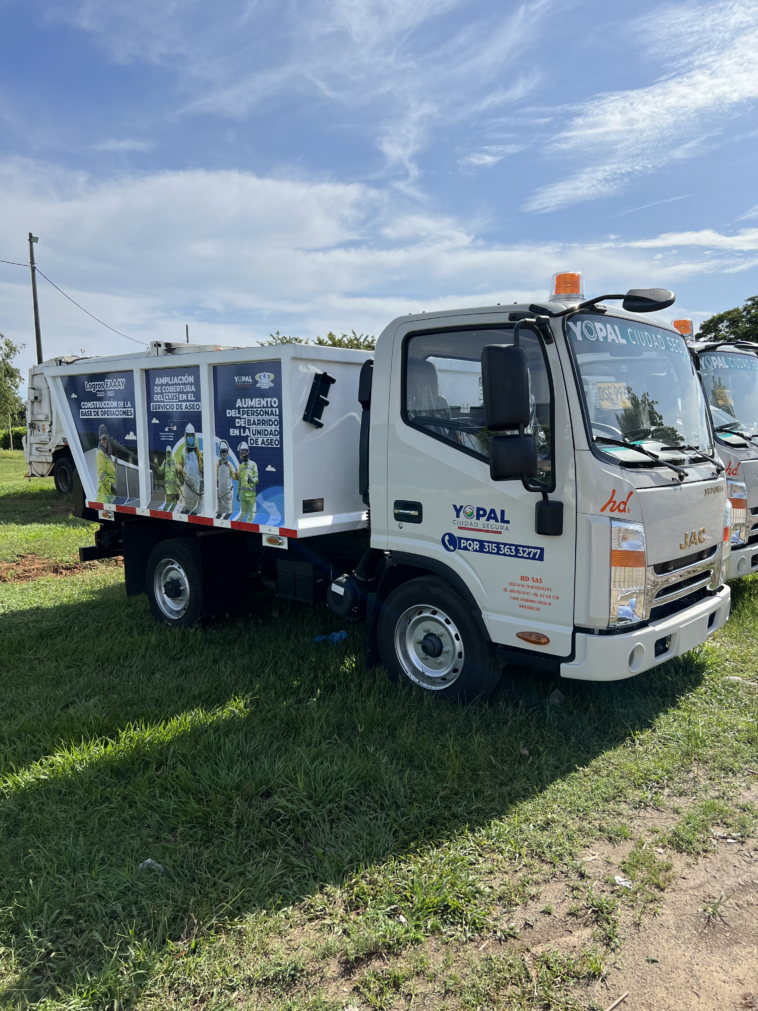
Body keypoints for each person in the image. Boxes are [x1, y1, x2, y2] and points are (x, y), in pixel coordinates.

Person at [176, 422, 204, 514]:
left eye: (191, 435)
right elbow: (180, 464)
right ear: (185, 436)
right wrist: (179, 469)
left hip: (196, 482)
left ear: (194, 436)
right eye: (188, 435)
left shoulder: (198, 452)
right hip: (187, 482)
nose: (190, 437)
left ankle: (193, 515)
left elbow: (201, 468)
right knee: (188, 503)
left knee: (196, 503)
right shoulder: (183, 451)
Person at [237, 441, 258, 523]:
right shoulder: (240, 466)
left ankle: (248, 528)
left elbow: (257, 479)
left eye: (245, 452)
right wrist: (238, 492)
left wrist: (252, 480)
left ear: (248, 452)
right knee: (243, 514)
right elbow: (240, 481)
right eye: (242, 453)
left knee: (252, 514)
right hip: (243, 495)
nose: (243, 455)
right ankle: (238, 526)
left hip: (251, 495)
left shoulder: (253, 465)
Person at [96, 424, 117, 503]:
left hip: (109, 494)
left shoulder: (106, 455)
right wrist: (110, 487)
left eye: (105, 440)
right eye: (102, 440)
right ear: (100, 441)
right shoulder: (100, 454)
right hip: (104, 495)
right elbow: (101, 474)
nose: (104, 442)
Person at [216, 440, 237, 518]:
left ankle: (225, 519)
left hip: (227, 491)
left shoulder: (229, 465)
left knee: (229, 510)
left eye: (225, 451)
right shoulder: (217, 464)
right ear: (220, 452)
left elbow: (234, 477)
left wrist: (237, 474)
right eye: (222, 451)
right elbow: (215, 476)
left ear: (227, 452)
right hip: (220, 491)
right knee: (220, 509)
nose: (223, 453)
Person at [160, 446, 181, 511]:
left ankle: (169, 514)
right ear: (166, 453)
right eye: (167, 452)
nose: (169, 454)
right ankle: (164, 514)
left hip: (174, 488)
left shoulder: (174, 462)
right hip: (168, 488)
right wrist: (157, 465)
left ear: (171, 453)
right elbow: (161, 471)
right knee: (168, 503)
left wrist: (179, 472)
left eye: (169, 452)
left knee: (174, 504)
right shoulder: (165, 462)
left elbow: (178, 476)